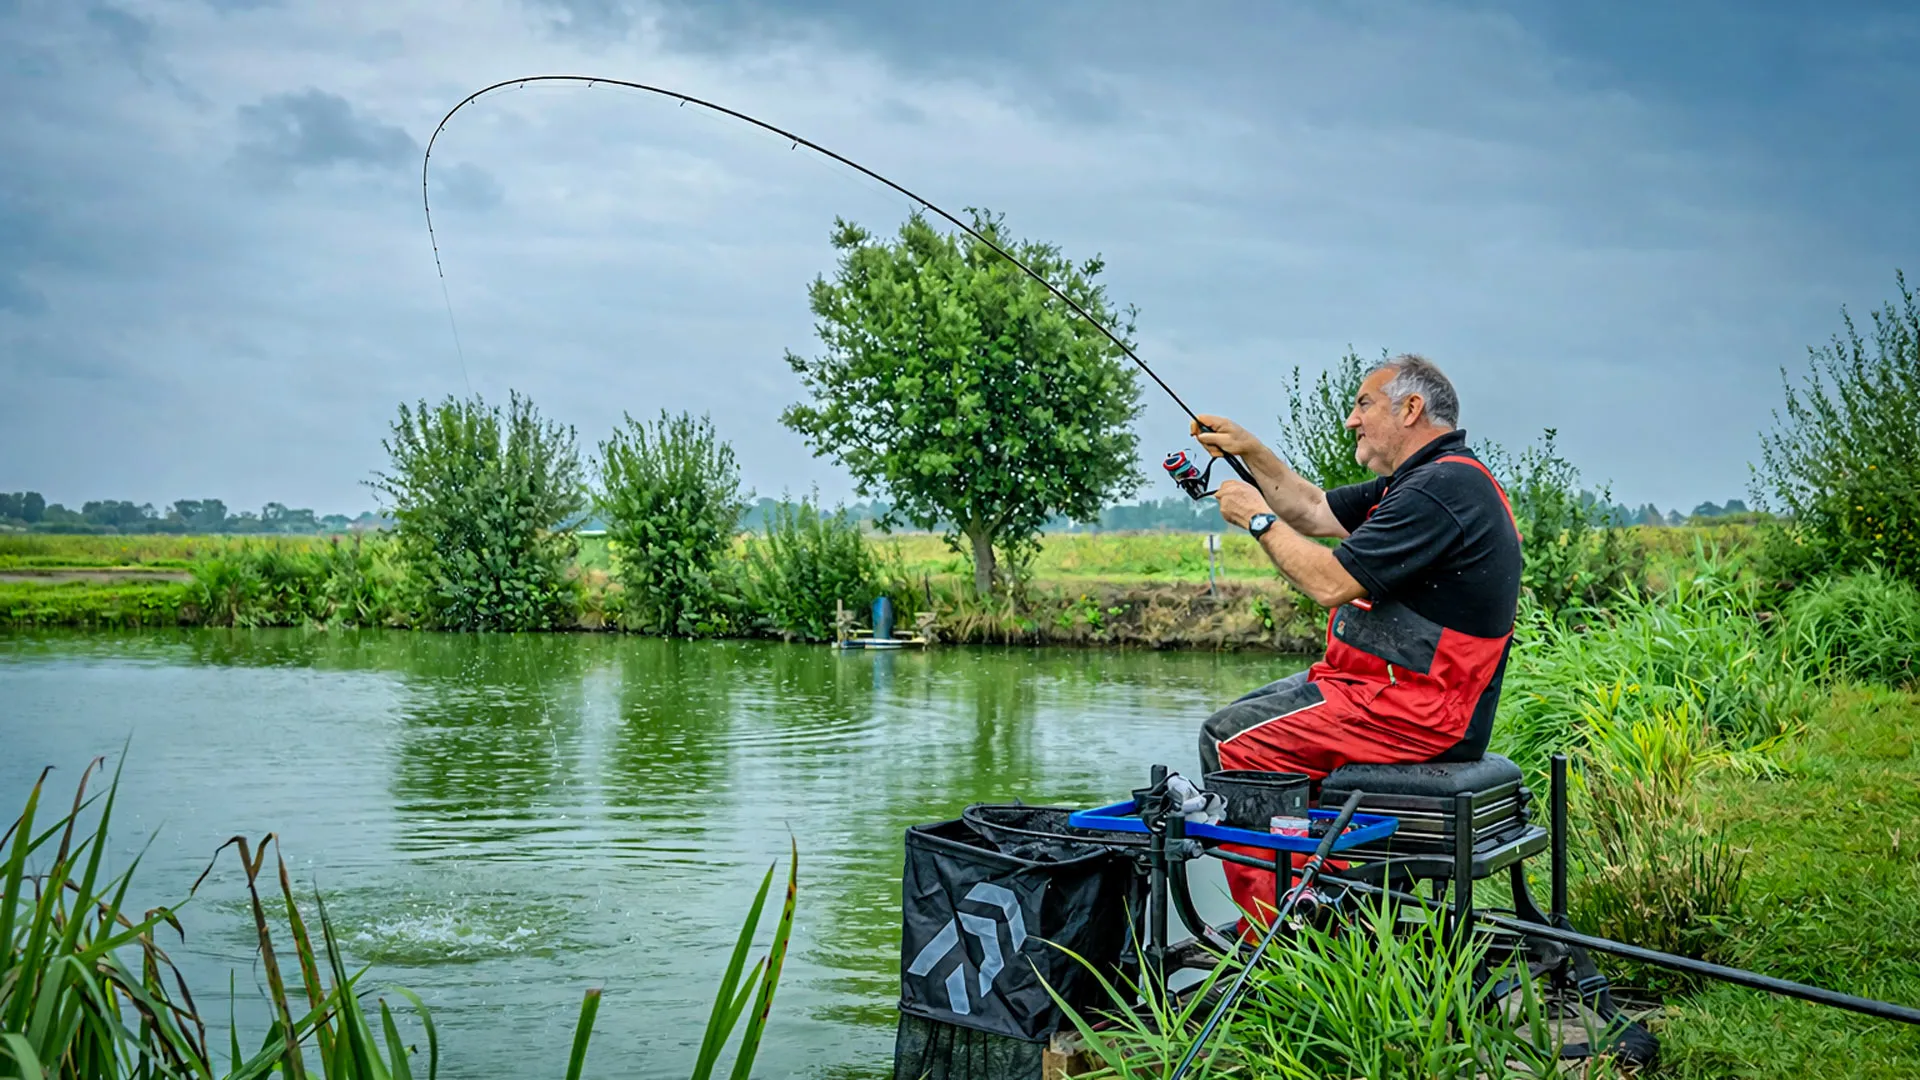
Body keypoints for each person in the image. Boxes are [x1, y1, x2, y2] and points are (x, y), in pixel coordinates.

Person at [1193, 354, 1523, 927]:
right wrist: (1248, 449)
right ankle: (1323, 894)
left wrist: (1256, 520)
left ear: (1412, 409)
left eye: (1364, 404)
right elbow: (1313, 509)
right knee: (1240, 718)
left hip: (1415, 708)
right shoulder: (1425, 480)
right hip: (1383, 690)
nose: (1351, 419)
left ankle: (1279, 934)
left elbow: (1329, 583)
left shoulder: (1441, 490)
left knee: (1231, 744)